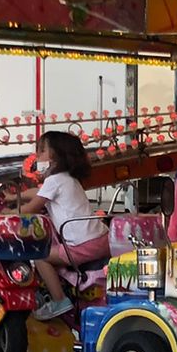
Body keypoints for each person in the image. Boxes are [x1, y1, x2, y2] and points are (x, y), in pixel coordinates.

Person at [17, 131, 104, 321]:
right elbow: (38, 192)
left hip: (82, 245)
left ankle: (59, 300)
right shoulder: (68, 179)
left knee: (39, 255)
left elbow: (32, 207)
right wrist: (12, 196)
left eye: (41, 151)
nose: (37, 156)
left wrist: (8, 213)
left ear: (55, 156)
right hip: (101, 240)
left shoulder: (54, 180)